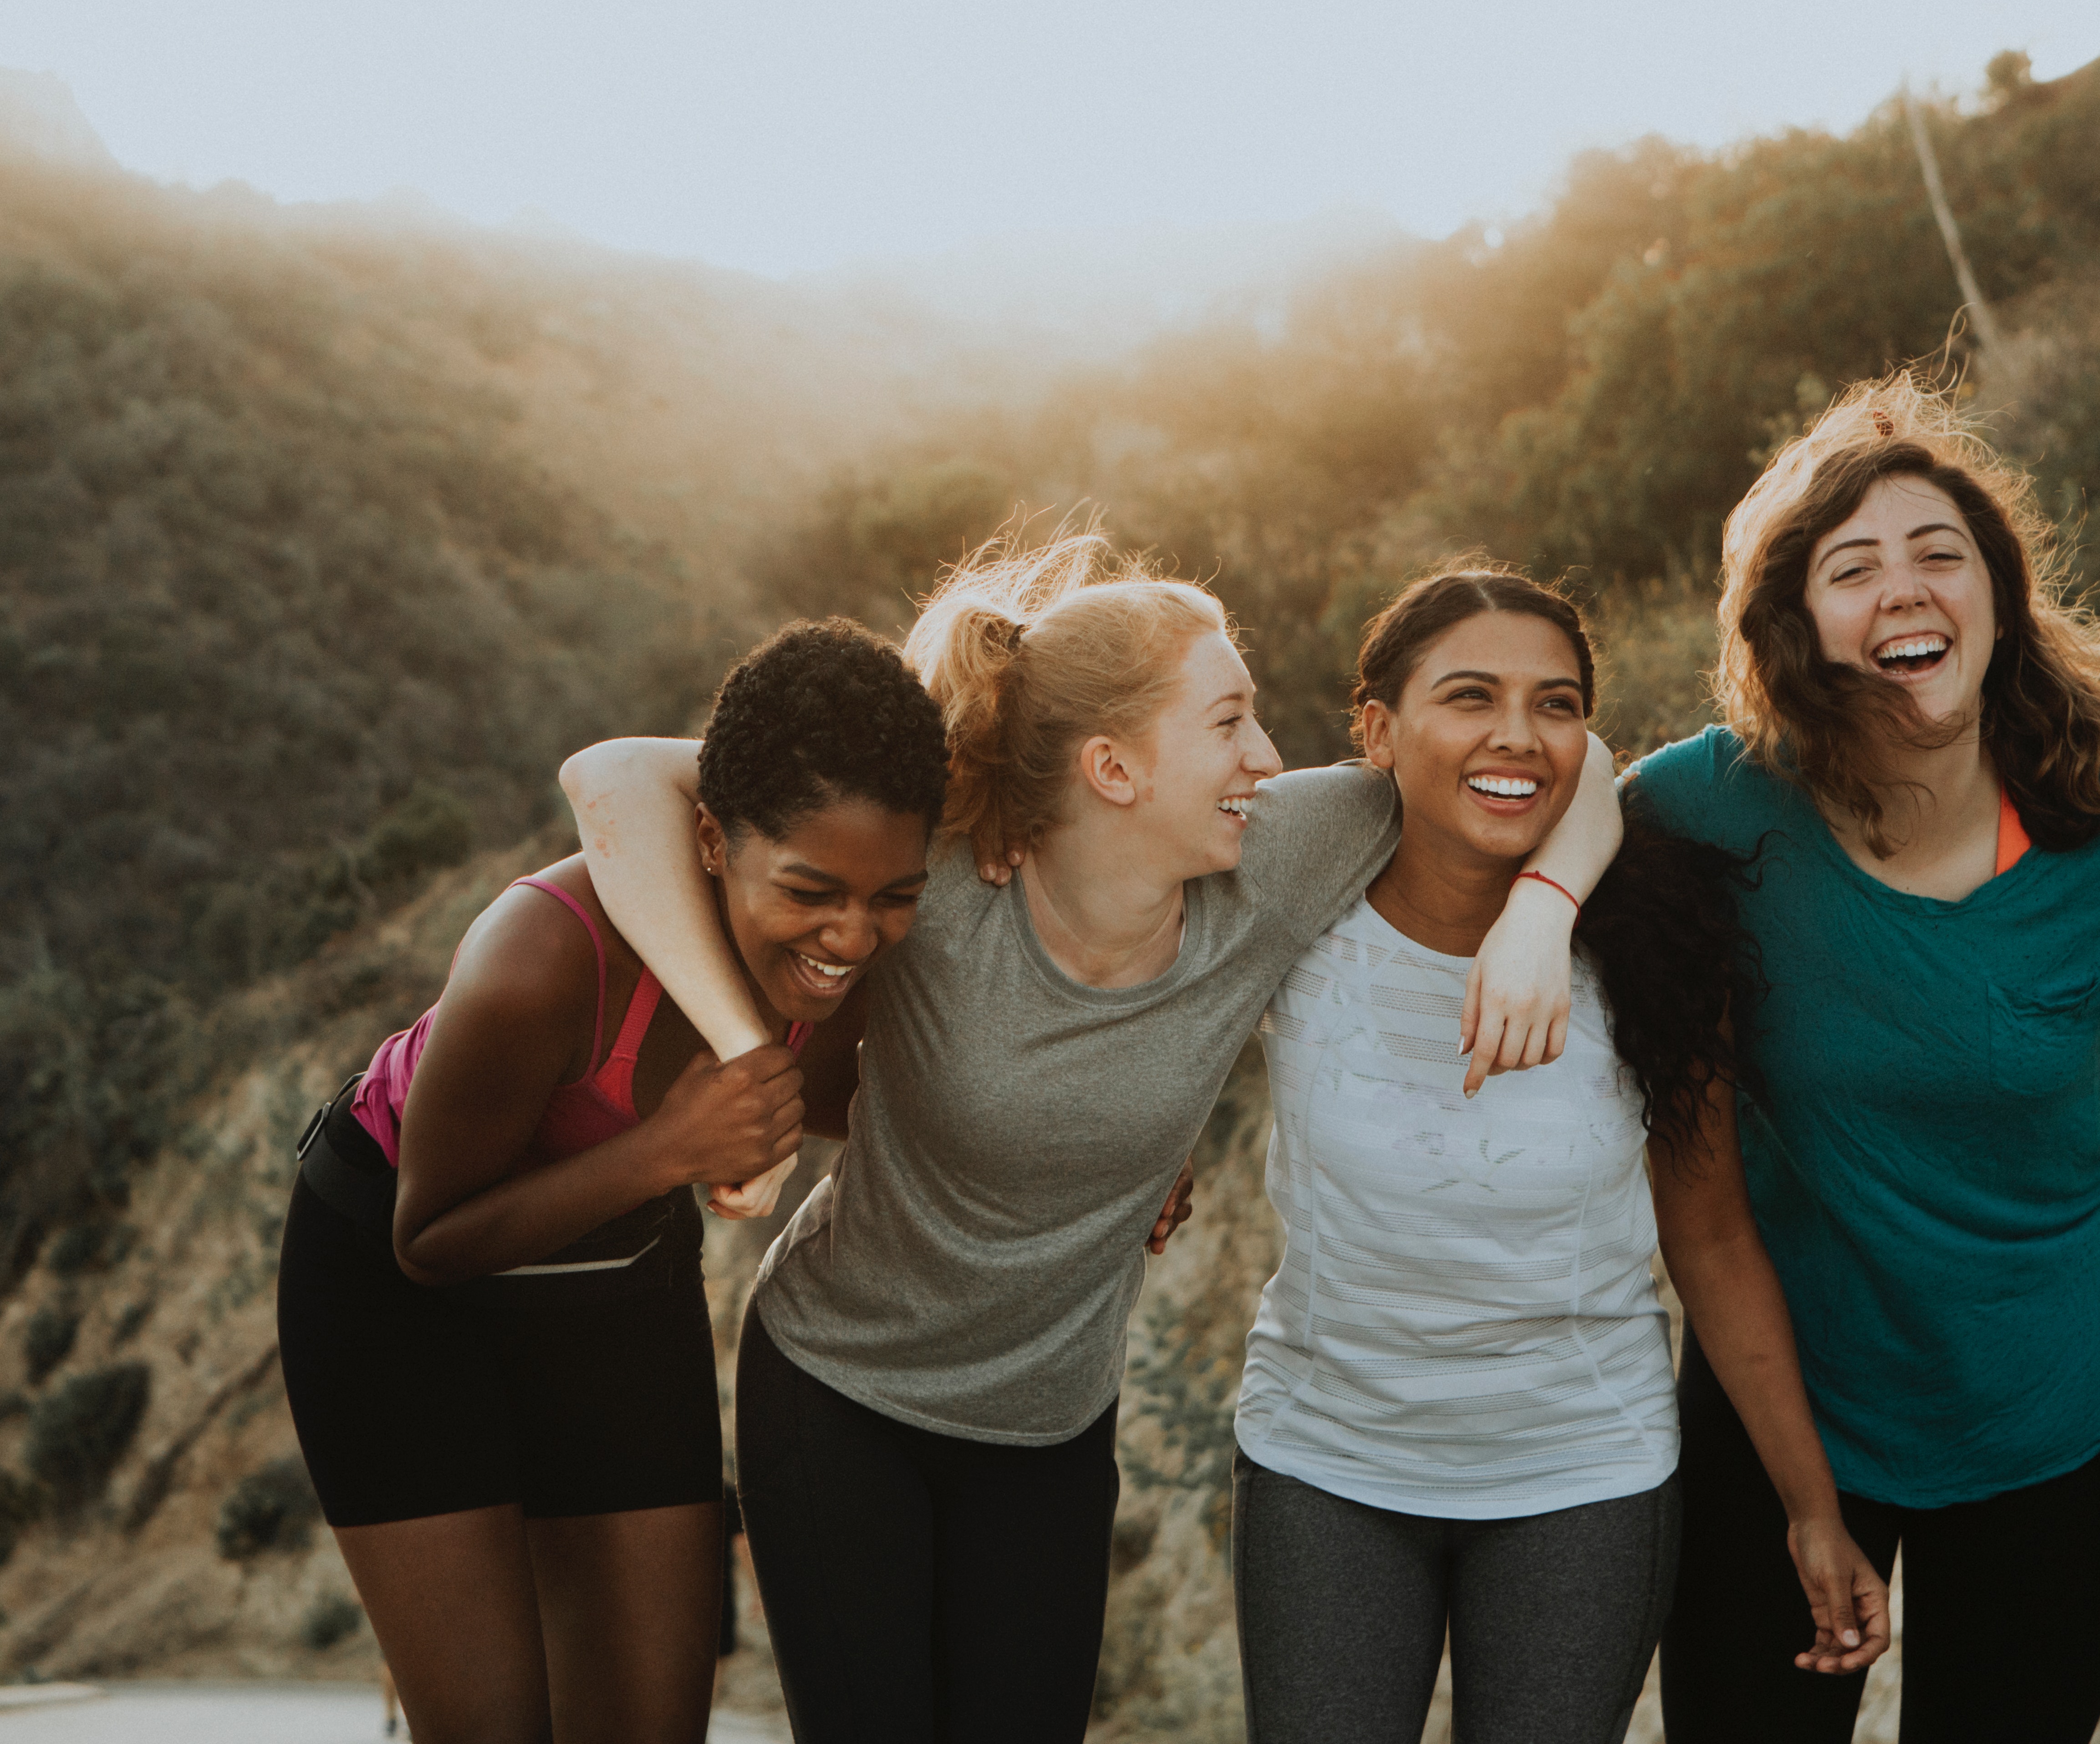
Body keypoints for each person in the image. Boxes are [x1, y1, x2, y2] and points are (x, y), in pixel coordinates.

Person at [560, 526, 1621, 1744]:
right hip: (840, 1393)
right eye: (1229, 724)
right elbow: (615, 780)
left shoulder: (1279, 854)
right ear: (1114, 769)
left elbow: (1565, 763)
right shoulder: (945, 868)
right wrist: (747, 1050)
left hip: (1049, 1430)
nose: (1268, 759)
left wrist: (1543, 912)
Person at [1641, 381, 2100, 1743]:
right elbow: (1534, 798)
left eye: (1942, 553)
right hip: (1784, 1413)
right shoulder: (1710, 805)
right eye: (1852, 567)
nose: (1906, 590)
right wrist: (1530, 917)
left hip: (2062, 1418)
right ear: (1795, 624)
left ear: (1997, 593)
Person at [1230, 566, 1887, 1744]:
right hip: (1324, 1461)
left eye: (1558, 704)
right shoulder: (1293, 903)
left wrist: (1811, 1504)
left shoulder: (1656, 949)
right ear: (1377, 730)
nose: (1518, 738)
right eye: (1470, 697)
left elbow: (1714, 1235)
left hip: (1581, 1479)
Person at [276, 619, 947, 1744]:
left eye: (894, 896)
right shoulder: (542, 955)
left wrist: (1131, 1165)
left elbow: (902, 1105)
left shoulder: (845, 966)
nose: (852, 932)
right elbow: (428, 1238)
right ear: (711, 839)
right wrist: (667, 1152)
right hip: (395, 1295)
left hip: (616, 1279)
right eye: (812, 888)